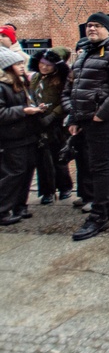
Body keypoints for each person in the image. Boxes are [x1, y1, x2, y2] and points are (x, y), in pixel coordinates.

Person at [63, 13, 109, 241]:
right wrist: (73, 117)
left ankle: (99, 215)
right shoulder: (83, 55)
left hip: (101, 119)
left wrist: (102, 114)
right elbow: (71, 89)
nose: (91, 29)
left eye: (97, 26)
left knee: (98, 165)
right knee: (107, 160)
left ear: (108, 30)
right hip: (84, 118)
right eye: (89, 25)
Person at [0, 49, 46, 225]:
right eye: (17, 64)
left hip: (27, 134)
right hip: (11, 138)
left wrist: (35, 108)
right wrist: (24, 111)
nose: (22, 67)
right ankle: (3, 209)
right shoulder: (3, 87)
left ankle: (20, 205)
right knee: (13, 173)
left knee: (26, 171)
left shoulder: (21, 84)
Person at [29, 48, 73, 204]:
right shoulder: (36, 78)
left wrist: (53, 114)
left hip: (56, 124)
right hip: (39, 121)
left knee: (58, 157)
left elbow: (65, 100)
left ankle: (65, 187)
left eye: (48, 65)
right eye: (42, 63)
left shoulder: (62, 79)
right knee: (42, 159)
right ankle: (47, 190)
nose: (44, 67)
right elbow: (31, 95)